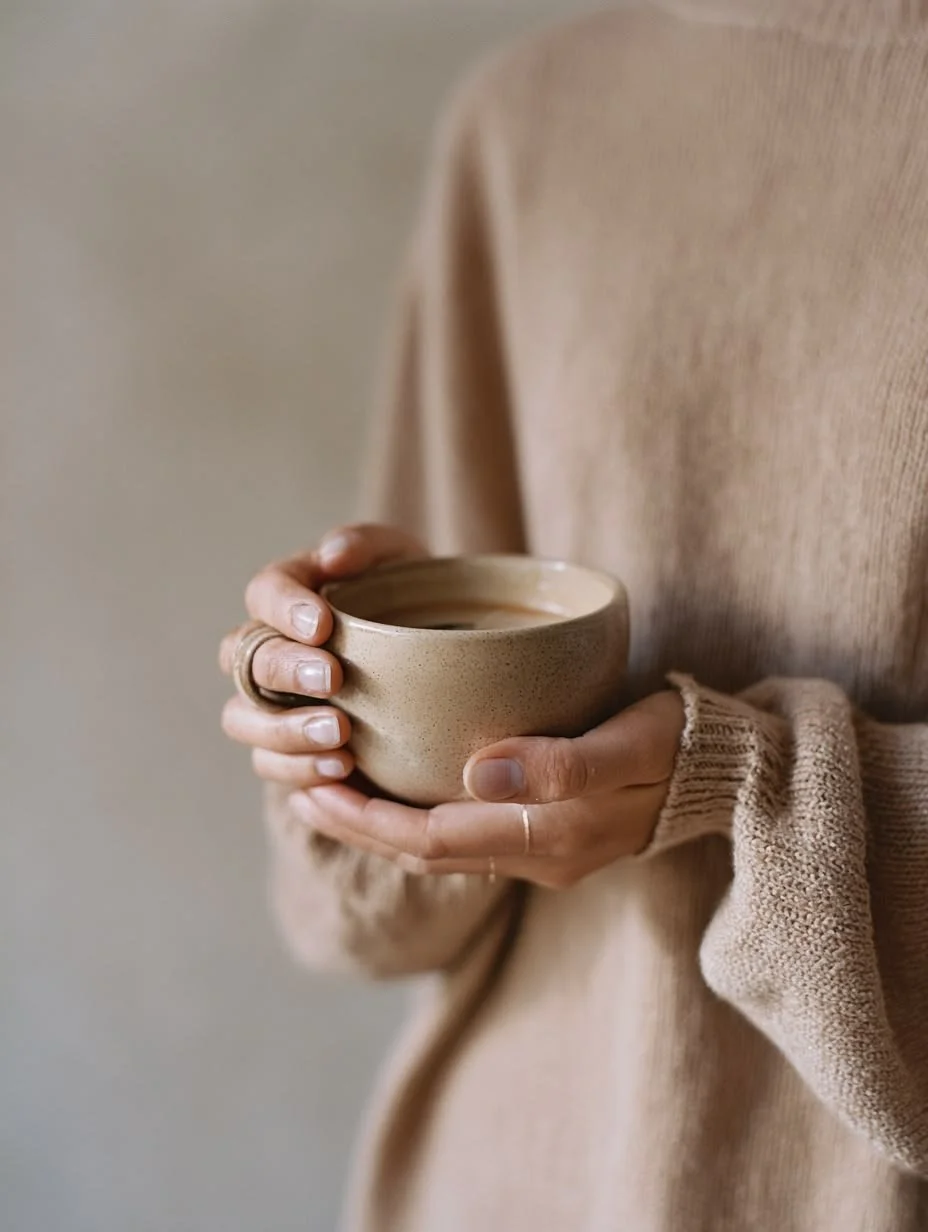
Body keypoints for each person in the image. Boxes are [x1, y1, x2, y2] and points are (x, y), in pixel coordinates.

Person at [219, 1, 928, 1227]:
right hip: (516, 1170)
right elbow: (360, 921)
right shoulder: (527, 121)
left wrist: (750, 783)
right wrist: (341, 726)